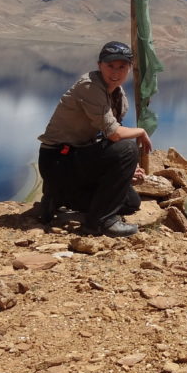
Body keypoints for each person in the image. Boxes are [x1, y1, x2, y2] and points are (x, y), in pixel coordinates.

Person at [37, 41, 153, 237]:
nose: (115, 72)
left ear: (129, 68)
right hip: (58, 159)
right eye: (110, 66)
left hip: (79, 158)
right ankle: (100, 222)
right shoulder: (90, 86)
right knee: (128, 149)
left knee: (130, 202)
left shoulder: (117, 93)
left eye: (122, 67)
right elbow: (114, 133)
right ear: (100, 65)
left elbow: (109, 139)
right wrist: (140, 131)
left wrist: (128, 169)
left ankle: (58, 197)